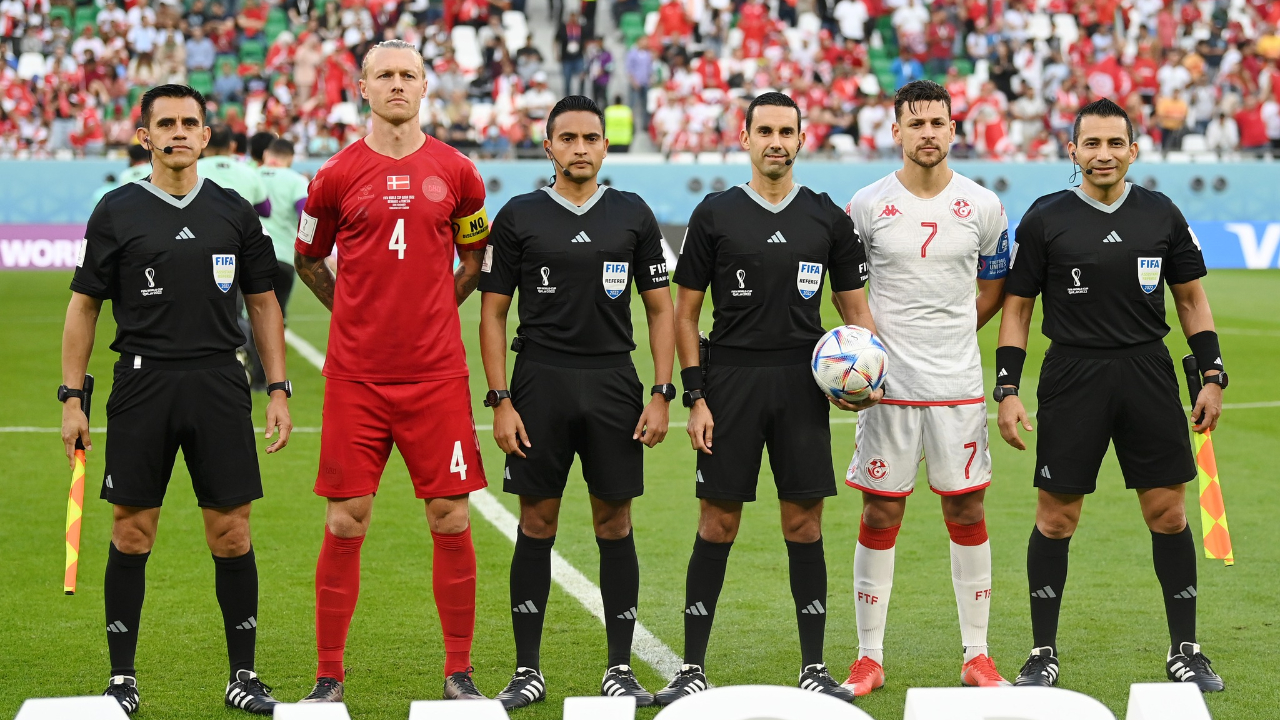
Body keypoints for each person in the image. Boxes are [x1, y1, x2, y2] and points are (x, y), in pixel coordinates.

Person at [61, 83, 292, 716]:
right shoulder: (116, 210)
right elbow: (84, 306)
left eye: (190, 122)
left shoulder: (234, 211)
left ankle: (242, 676)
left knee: (232, 533)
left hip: (220, 382)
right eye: (166, 124)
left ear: (206, 135)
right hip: (141, 385)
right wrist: (71, 397)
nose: (179, 133)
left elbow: (264, 303)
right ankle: (121, 680)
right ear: (145, 136)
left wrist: (277, 387)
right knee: (132, 532)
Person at [996, 98, 1226, 693]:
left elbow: (1192, 302)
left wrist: (1212, 375)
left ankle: (1186, 650)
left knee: (1169, 512)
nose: (1103, 155)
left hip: (1147, 372)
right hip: (1072, 376)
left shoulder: (1162, 214)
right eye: (1091, 144)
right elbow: (1018, 310)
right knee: (1056, 518)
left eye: (1114, 144)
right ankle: (1042, 653)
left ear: (1134, 149)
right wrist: (1007, 388)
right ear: (1071, 151)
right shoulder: (1045, 218)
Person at [655, 92, 878, 706]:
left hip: (802, 384)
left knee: (803, 523)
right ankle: (692, 668)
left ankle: (813, 667)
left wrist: (864, 376)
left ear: (802, 139)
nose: (776, 141)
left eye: (787, 131)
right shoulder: (716, 214)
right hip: (730, 384)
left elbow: (854, 311)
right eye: (766, 131)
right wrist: (695, 396)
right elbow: (686, 311)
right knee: (718, 522)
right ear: (745, 137)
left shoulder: (827, 218)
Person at [292, 39, 493, 704]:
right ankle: (328, 677)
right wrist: (351, 313)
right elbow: (308, 259)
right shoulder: (333, 175)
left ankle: (458, 672)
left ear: (426, 86)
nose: (397, 85)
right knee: (347, 519)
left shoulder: (459, 173)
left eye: (408, 74)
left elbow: (473, 259)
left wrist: (438, 310)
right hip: (358, 377)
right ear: (363, 88)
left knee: (450, 517)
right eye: (385, 75)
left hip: (436, 375)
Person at [479, 95, 675, 710]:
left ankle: (619, 668)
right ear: (549, 147)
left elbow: (660, 308)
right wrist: (500, 399)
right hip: (540, 382)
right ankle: (526, 670)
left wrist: (663, 391)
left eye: (591, 138)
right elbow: (492, 311)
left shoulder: (632, 213)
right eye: (569, 139)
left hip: (615, 382)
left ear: (605, 147)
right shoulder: (518, 215)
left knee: (614, 523)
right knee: (536, 523)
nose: (581, 148)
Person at [839, 80, 1011, 697]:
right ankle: (868, 657)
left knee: (966, 509)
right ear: (897, 132)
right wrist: (863, 358)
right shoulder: (866, 205)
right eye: (916, 124)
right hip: (887, 388)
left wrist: (959, 328)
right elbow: (846, 286)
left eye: (938, 123)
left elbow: (994, 284)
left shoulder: (984, 207)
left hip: (958, 386)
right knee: (881, 511)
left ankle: (978, 654)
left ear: (953, 129)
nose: (929, 133)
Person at [257, 138, 308, 319]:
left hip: (252, 257)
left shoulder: (251, 175)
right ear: (291, 159)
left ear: (266, 154)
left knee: (250, 314)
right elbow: (305, 215)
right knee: (277, 316)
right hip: (284, 257)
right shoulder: (296, 181)